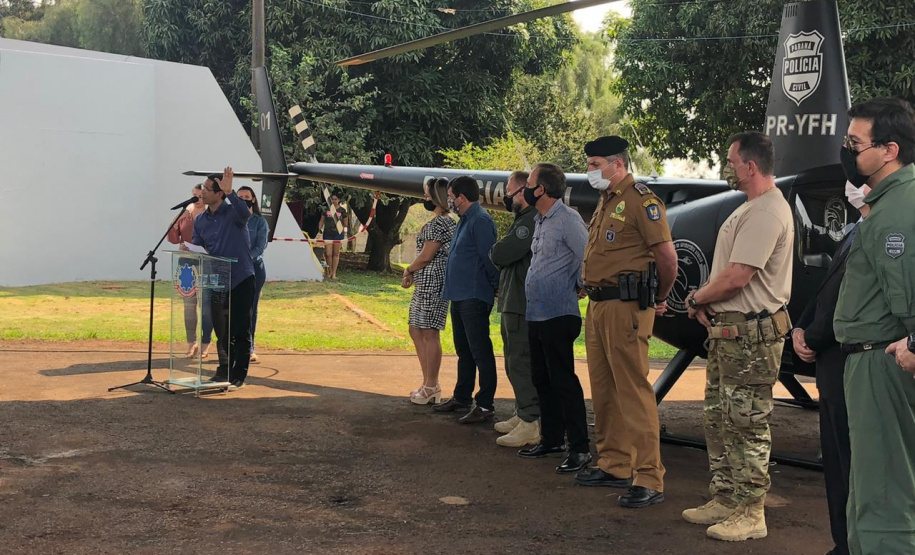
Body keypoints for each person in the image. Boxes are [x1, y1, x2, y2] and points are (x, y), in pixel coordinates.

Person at [683, 131, 793, 541]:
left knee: (746, 422)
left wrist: (696, 297)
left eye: (732, 162)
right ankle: (727, 496)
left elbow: (736, 277)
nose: (728, 167)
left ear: (750, 166)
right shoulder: (750, 207)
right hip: (731, 334)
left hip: (751, 336)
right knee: (719, 417)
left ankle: (751, 511)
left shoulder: (765, 211)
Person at [574, 136, 678, 510]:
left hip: (626, 306)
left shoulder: (641, 201)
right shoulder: (607, 201)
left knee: (633, 391)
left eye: (595, 163)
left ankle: (649, 476)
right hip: (600, 305)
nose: (590, 171)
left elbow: (667, 258)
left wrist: (661, 297)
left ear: (617, 164)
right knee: (603, 389)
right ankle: (614, 462)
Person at [833, 97, 915, 555]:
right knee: (867, 493)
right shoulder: (885, 204)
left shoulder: (900, 208)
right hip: (867, 361)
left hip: (885, 361)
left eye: (854, 142)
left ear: (888, 151)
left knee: (885, 493)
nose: (847, 151)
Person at [793, 182, 870, 555]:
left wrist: (814, 335)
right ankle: (844, 540)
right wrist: (800, 328)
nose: (851, 187)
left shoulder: (877, 231)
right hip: (831, 364)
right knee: (837, 463)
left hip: (850, 361)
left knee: (854, 462)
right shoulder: (855, 229)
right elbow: (826, 289)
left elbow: (847, 298)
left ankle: (853, 542)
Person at [515, 163, 591, 474]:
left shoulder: (568, 220)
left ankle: (580, 448)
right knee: (541, 378)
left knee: (563, 381)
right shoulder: (541, 220)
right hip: (537, 313)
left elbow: (589, 256)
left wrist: (581, 284)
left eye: (529, 184)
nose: (525, 190)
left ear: (542, 189)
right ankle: (551, 438)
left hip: (559, 313)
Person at [432, 176, 500, 424]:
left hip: (474, 295)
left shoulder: (481, 221)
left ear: (461, 197)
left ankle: (485, 404)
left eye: (451, 195)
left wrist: (497, 286)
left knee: (480, 351)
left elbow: (490, 258)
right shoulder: (465, 220)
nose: (449, 200)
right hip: (459, 295)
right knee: (464, 350)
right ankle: (462, 397)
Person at [489, 170, 540, 447]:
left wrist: (497, 250)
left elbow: (501, 253)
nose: (506, 198)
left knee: (520, 361)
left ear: (522, 192)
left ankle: (531, 421)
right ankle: (524, 413)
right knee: (512, 360)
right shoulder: (522, 219)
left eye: (509, 193)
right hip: (512, 300)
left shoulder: (529, 221)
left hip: (521, 303)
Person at [192, 167, 256, 390]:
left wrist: (231, 193)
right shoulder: (200, 220)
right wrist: (190, 251)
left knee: (240, 329)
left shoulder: (233, 213)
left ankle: (239, 375)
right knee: (222, 330)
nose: (202, 193)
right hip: (216, 279)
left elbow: (246, 214)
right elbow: (198, 247)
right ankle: (224, 370)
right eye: (202, 188)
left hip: (240, 278)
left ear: (219, 193)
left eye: (207, 189)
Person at [402, 178, 457, 405]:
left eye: (427, 195)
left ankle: (432, 385)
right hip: (426, 282)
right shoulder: (444, 222)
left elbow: (426, 255)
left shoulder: (440, 224)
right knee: (416, 329)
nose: (424, 198)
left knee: (428, 331)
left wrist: (409, 269)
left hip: (433, 282)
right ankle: (427, 384)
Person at [166, 184, 214, 359]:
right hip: (186, 263)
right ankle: (191, 342)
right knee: (188, 305)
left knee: (206, 305)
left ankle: (205, 342)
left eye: (200, 196)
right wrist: (177, 220)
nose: (197, 199)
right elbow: (172, 238)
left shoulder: (211, 215)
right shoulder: (186, 214)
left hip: (206, 263)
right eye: (194, 195)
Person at [237, 186, 269, 364]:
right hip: (234, 269)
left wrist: (246, 259)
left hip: (254, 270)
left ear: (253, 199)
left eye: (246, 197)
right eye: (239, 197)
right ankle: (232, 346)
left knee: (250, 310)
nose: (243, 199)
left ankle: (249, 348)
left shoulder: (260, 222)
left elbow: (260, 246)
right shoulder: (231, 220)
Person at [318, 190, 348, 280]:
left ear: (339, 200)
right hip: (327, 234)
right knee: (328, 254)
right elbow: (322, 220)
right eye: (332, 199)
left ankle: (334, 273)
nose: (334, 201)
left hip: (338, 234)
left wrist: (342, 230)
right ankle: (330, 271)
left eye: (335, 199)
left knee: (336, 253)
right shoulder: (327, 209)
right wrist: (319, 229)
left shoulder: (342, 211)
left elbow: (346, 223)